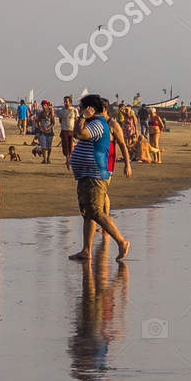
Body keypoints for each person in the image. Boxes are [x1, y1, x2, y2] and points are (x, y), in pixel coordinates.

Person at [67, 94, 131, 262]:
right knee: (87, 213)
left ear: (91, 109)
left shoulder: (98, 124)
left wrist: (81, 117)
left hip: (94, 174)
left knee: (96, 211)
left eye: (82, 107)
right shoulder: (94, 123)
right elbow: (78, 135)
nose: (80, 110)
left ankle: (121, 241)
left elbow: (78, 135)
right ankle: (86, 250)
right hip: (86, 174)